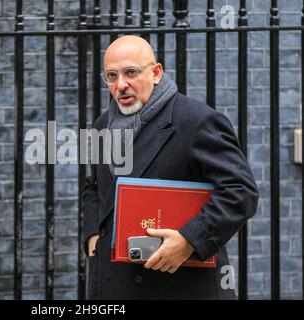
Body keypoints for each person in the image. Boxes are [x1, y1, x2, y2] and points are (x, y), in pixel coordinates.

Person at [82, 35, 259, 299]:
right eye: (111, 76)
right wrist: (93, 236)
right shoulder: (102, 125)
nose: (121, 85)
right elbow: (94, 187)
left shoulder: (197, 121)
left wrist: (189, 240)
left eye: (131, 72)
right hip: (113, 284)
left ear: (156, 73)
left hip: (179, 285)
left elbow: (240, 191)